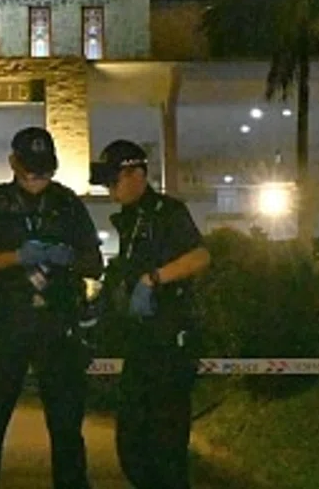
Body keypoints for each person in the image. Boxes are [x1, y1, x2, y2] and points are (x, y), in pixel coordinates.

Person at [0, 126, 103, 489]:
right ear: (13, 163)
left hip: (58, 322)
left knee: (67, 424)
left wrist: (69, 260)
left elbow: (93, 261)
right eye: (31, 169)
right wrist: (14, 258)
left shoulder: (67, 203)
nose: (38, 178)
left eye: (44, 170)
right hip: (6, 321)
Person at [91, 139, 211, 489]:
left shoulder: (167, 212)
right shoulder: (129, 221)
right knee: (132, 444)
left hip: (171, 342)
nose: (111, 192)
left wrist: (154, 279)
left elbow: (200, 256)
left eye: (114, 181)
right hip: (142, 344)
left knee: (166, 447)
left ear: (135, 174)